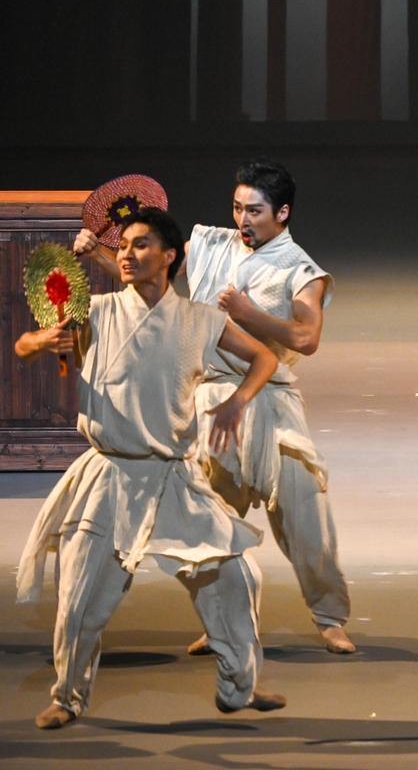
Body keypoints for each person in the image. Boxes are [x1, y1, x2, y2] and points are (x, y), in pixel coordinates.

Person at [15, 209, 287, 729]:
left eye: (141, 245)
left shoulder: (199, 320)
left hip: (173, 476)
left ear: (169, 257)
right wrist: (42, 342)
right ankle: (68, 697)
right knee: (79, 598)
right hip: (109, 476)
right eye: (122, 246)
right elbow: (23, 346)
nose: (126, 253)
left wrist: (236, 403)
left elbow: (264, 359)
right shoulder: (95, 311)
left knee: (235, 575)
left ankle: (239, 687)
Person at [76, 159, 354, 655]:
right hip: (208, 398)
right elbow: (149, 275)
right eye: (238, 207)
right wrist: (98, 252)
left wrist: (249, 314)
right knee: (212, 523)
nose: (243, 219)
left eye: (255, 210)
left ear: (282, 213)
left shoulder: (301, 270)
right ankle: (223, 621)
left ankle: (330, 616)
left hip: (270, 400)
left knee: (305, 514)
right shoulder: (208, 243)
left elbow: (306, 338)